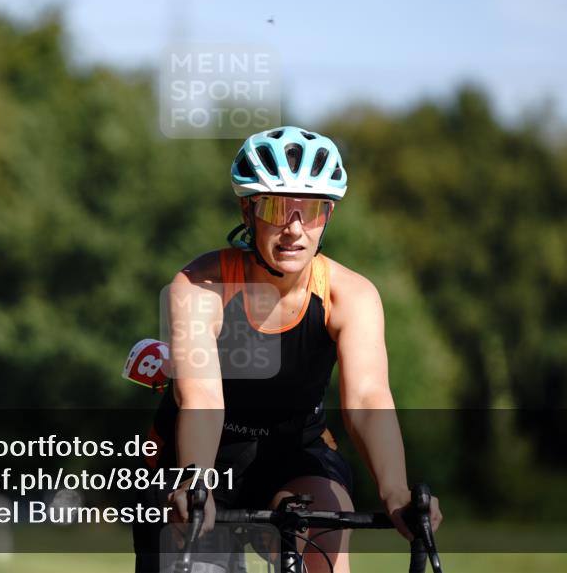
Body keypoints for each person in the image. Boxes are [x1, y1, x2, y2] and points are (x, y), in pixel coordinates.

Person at [133, 127, 442, 572]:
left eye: (311, 210)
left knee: (328, 527)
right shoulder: (200, 286)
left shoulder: (350, 295)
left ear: (328, 215)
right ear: (248, 209)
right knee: (195, 559)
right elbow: (201, 397)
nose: (294, 229)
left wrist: (395, 491)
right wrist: (195, 482)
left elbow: (368, 400)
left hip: (297, 452)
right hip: (200, 456)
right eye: (278, 208)